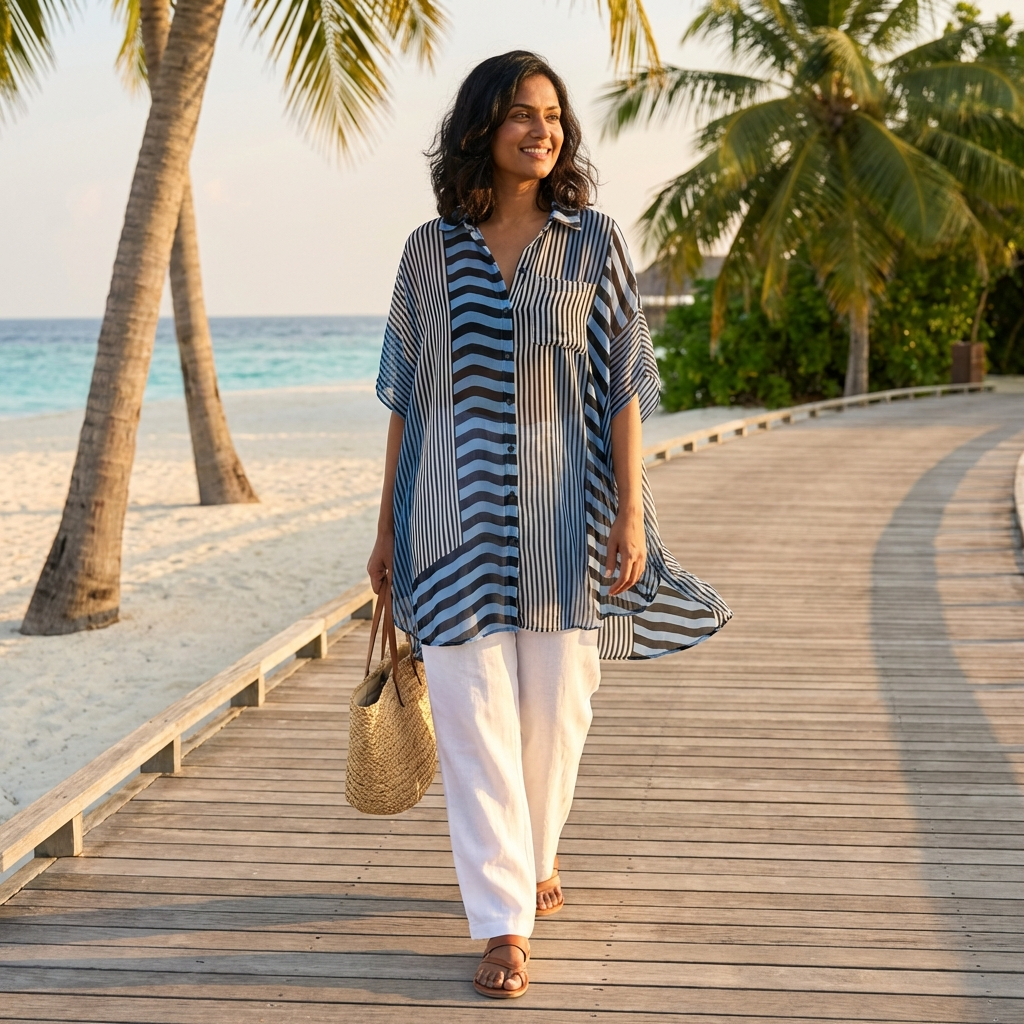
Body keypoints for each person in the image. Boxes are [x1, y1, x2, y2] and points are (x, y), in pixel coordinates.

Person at [367, 50, 730, 999]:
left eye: (555, 117)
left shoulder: (594, 241)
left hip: (569, 514)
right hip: (448, 512)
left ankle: (534, 859)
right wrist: (383, 530)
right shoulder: (427, 250)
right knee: (473, 716)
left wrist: (634, 514)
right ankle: (502, 924)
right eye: (524, 114)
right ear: (483, 126)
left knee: (557, 712)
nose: (544, 130)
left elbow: (625, 385)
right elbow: (406, 396)